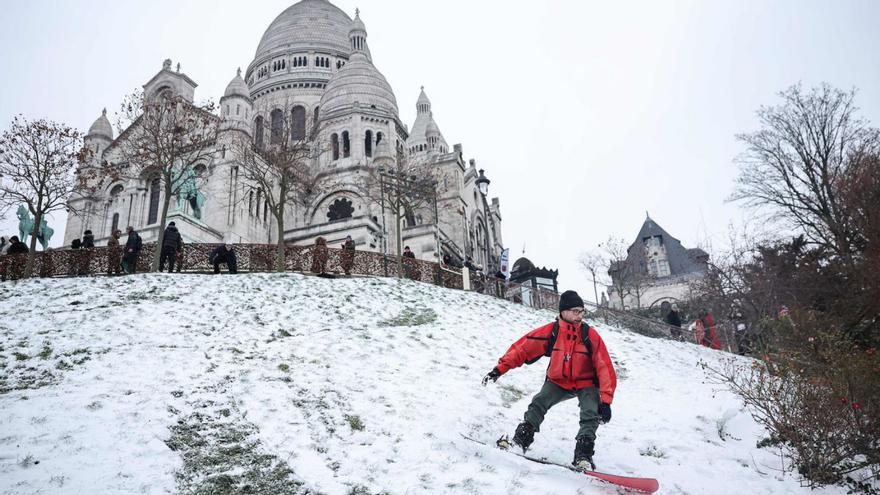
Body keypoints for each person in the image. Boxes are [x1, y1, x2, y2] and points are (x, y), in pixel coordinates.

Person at [482, 290, 617, 471]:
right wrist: (498, 370)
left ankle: (583, 456)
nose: (579, 315)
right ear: (564, 311)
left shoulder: (589, 335)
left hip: (586, 383)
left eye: (581, 311)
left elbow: (604, 367)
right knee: (538, 403)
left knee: (590, 412)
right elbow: (523, 349)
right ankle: (520, 440)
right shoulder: (551, 332)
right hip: (558, 381)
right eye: (575, 311)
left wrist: (606, 401)